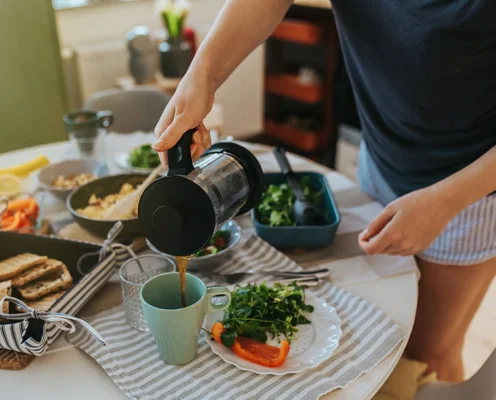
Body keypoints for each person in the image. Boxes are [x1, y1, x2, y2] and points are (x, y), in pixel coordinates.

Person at [152, 0, 496, 382]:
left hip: (470, 187)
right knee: (386, 334)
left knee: (428, 355)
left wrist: (446, 199)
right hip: (382, 154)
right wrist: (202, 75)